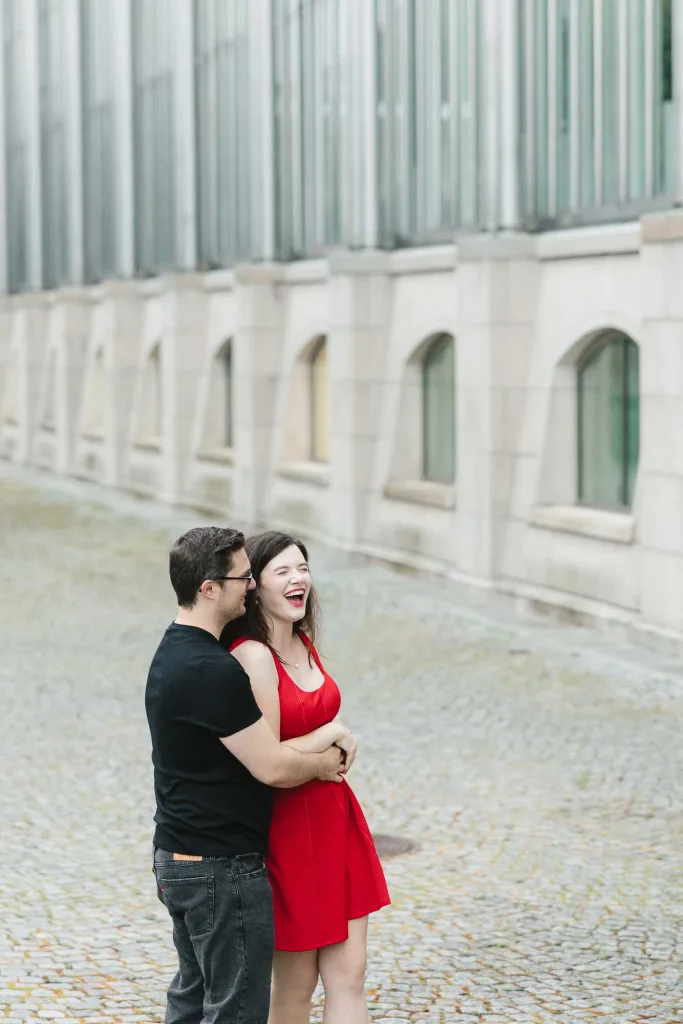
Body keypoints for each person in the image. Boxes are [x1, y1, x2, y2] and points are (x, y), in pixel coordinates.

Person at [145, 526, 347, 1024]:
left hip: (177, 856)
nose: (252, 586)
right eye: (243, 578)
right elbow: (272, 765)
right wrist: (326, 759)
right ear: (209, 588)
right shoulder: (212, 670)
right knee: (235, 1010)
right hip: (221, 866)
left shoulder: (173, 651)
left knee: (192, 1002)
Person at [221, 530, 390, 1024]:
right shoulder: (253, 656)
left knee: (350, 974)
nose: (299, 579)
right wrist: (329, 734)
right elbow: (266, 759)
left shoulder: (303, 641)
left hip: (336, 819)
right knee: (295, 990)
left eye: (303, 568)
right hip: (288, 832)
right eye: (283, 571)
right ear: (254, 586)